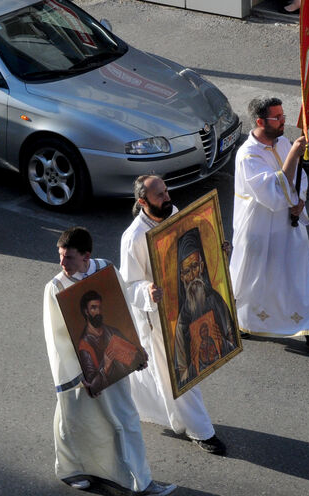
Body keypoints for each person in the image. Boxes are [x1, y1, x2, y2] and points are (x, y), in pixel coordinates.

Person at [42, 227, 176, 495]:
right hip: (81, 370)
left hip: (114, 364)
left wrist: (135, 351)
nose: (62, 264)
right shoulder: (55, 287)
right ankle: (72, 469)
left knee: (125, 420)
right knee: (75, 420)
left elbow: (121, 311)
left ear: (86, 256)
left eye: (68, 257)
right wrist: (80, 377)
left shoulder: (105, 269)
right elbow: (56, 339)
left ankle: (141, 481)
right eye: (60, 256)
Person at [119, 176, 226, 455]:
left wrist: (221, 250)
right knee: (180, 373)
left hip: (187, 306)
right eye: (159, 195)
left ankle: (139, 407)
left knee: (163, 373)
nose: (167, 197)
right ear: (143, 202)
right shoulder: (133, 237)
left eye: (165, 191)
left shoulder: (174, 213)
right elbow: (129, 284)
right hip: (157, 318)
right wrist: (147, 291)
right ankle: (201, 430)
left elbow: (195, 249)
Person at [229, 97, 309, 353]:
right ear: (260, 122)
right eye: (277, 118)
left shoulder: (281, 141)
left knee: (299, 278)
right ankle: (245, 324)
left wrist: (299, 200)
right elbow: (271, 192)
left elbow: (298, 175)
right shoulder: (247, 156)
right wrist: (293, 154)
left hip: (288, 229)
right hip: (260, 230)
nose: (284, 122)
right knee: (255, 282)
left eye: (283, 116)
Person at [171, 228, 237, 387]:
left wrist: (221, 342)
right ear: (181, 277)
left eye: (194, 266)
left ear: (201, 266)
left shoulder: (216, 300)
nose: (193, 275)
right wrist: (194, 358)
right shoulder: (183, 320)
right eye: (186, 271)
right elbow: (181, 376)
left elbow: (233, 341)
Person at [76, 289, 146, 397]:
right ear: (86, 311)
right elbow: (92, 386)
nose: (98, 312)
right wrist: (106, 367)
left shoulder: (112, 332)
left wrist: (139, 360)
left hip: (123, 390)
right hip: (106, 398)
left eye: (99, 307)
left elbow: (135, 355)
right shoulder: (85, 345)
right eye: (93, 308)